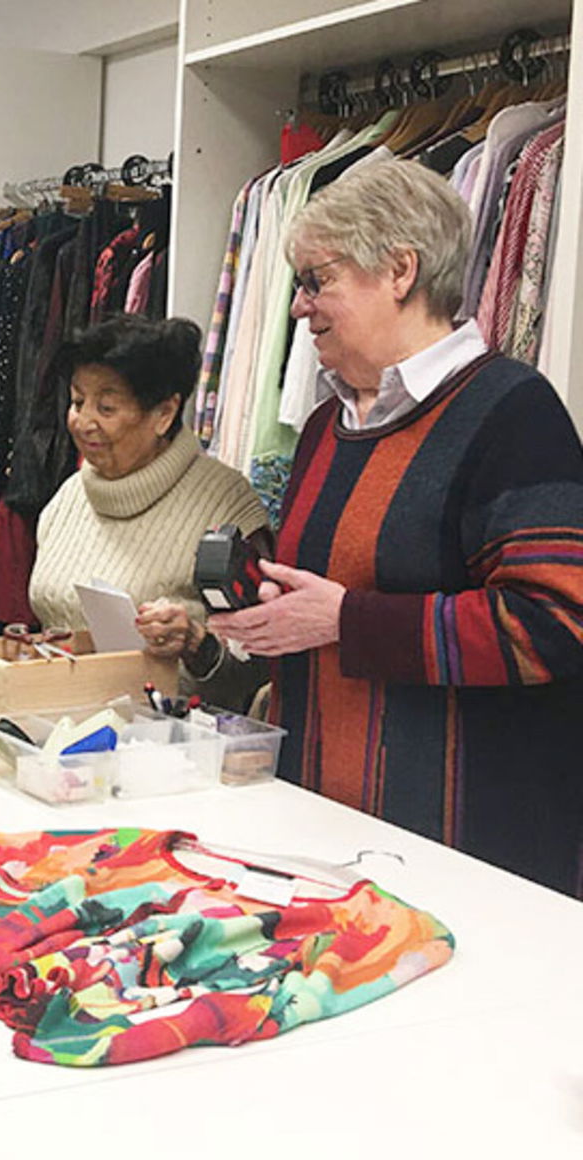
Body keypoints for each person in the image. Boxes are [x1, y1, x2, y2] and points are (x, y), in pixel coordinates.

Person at [210, 158, 583, 897]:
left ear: (400, 271)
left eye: (318, 281)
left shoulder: (515, 414)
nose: (299, 306)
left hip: (468, 854)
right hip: (328, 837)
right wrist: (260, 607)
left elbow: (555, 624)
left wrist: (347, 620)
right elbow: (334, 589)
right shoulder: (327, 425)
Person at [26, 313, 270, 710]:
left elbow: (260, 665)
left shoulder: (227, 507)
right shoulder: (67, 498)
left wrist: (196, 643)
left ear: (164, 414)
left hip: (171, 749)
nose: (83, 421)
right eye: (76, 401)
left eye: (105, 407)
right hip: (59, 732)